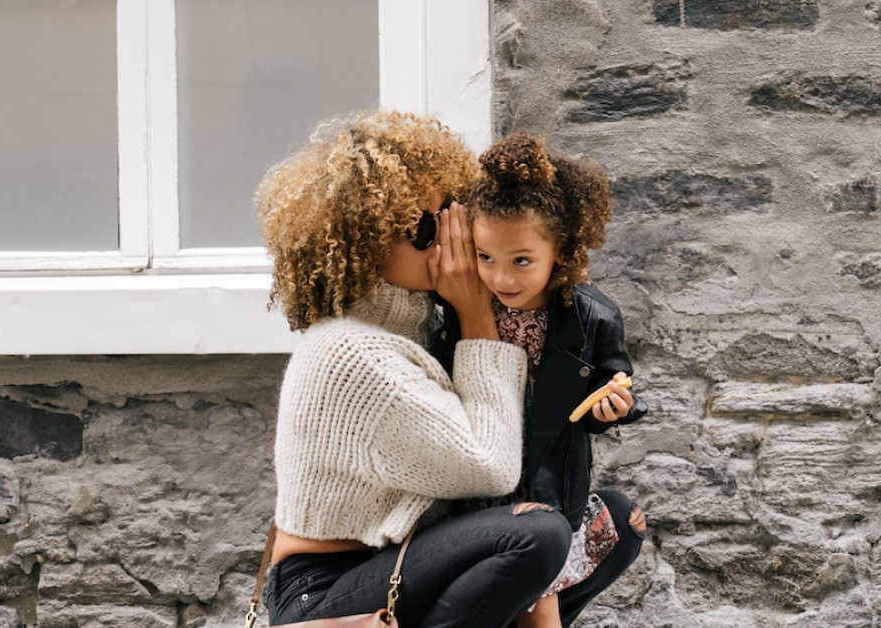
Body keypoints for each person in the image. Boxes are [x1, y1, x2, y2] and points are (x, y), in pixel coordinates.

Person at [255, 110, 574, 628]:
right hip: (325, 587)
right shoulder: (350, 353)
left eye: (452, 214)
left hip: (397, 564)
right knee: (535, 536)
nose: (449, 239)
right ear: (365, 238)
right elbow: (490, 465)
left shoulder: (416, 332)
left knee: (611, 520)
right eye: (424, 227)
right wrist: (476, 314)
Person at [437, 132, 649, 627]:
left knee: (541, 587)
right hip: (478, 479)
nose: (502, 278)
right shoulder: (461, 308)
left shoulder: (593, 317)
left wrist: (615, 406)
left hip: (549, 484)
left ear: (562, 249)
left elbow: (615, 379)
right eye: (485, 257)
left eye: (521, 261)